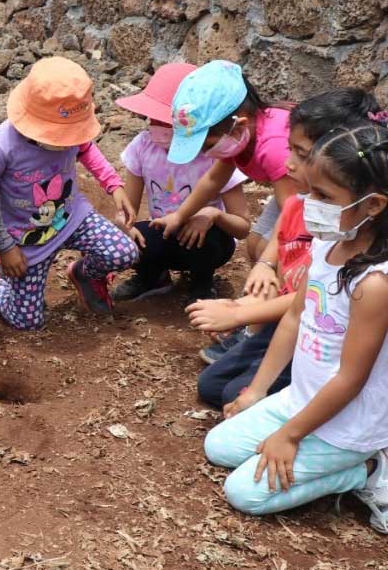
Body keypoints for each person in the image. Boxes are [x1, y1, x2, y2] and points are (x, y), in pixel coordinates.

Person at [204, 122, 388, 534]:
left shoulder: (375, 285)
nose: (308, 203)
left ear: (372, 205)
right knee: (218, 446)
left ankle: (366, 469)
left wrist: (290, 435)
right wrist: (256, 391)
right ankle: (311, 444)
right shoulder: (326, 244)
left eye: (324, 196)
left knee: (244, 492)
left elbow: (351, 379)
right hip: (301, 400)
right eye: (311, 191)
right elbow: (294, 316)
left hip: (345, 425)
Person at [192, 89, 384, 408]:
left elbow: (312, 301)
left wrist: (240, 312)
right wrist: (266, 266)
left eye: (302, 154)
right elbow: (286, 230)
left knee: (231, 393)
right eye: (290, 149)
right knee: (212, 386)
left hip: (327, 339)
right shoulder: (312, 207)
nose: (289, 163)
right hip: (292, 320)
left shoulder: (346, 233)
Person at [0, 57, 140, 330]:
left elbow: (87, 149)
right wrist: (6, 247)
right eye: (60, 137)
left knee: (123, 253)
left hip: (72, 218)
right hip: (26, 238)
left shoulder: (75, 136)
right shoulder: (1, 145)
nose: (68, 143)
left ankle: (85, 275)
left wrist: (114, 184)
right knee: (28, 322)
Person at [111, 62, 250, 302]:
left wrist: (212, 215)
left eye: (166, 121)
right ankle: (152, 276)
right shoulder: (143, 145)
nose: (158, 127)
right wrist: (124, 224)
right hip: (164, 233)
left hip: (205, 239)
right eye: (153, 119)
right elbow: (128, 210)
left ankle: (202, 282)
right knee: (136, 237)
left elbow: (243, 226)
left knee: (205, 240)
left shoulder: (214, 154)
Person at [152, 61, 297, 255]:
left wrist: (266, 264)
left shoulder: (274, 147)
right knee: (254, 246)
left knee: (274, 253)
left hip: (324, 194)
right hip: (294, 193)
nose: (206, 153)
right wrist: (179, 216)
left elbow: (291, 210)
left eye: (209, 145)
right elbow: (213, 180)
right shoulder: (238, 138)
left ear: (240, 125)